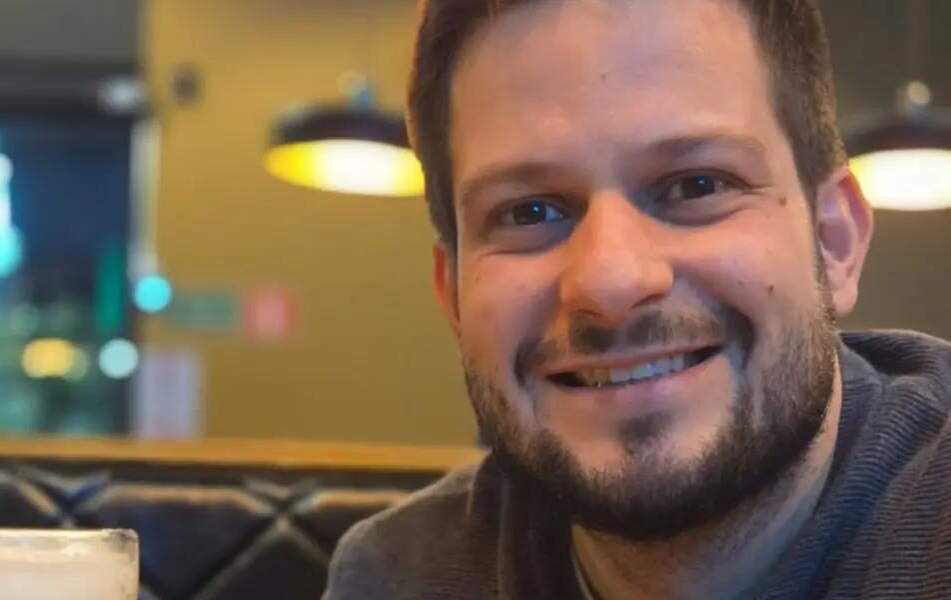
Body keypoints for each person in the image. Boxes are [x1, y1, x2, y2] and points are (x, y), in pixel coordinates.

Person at [324, 0, 951, 598]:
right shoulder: (399, 577)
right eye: (528, 212)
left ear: (834, 241)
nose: (611, 282)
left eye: (697, 185)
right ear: (454, 299)